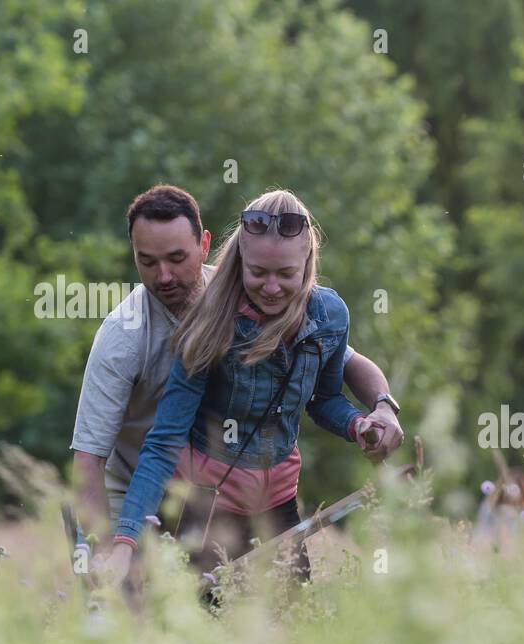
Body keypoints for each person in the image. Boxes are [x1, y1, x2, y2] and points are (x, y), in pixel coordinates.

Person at [70, 184, 403, 544]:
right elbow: (90, 459)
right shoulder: (123, 337)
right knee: (130, 594)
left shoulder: (254, 293)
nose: (163, 275)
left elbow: (341, 364)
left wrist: (380, 408)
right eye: (147, 261)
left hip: (236, 491)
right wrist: (103, 550)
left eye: (177, 258)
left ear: (204, 246)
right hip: (133, 489)